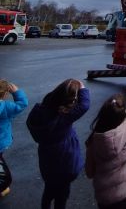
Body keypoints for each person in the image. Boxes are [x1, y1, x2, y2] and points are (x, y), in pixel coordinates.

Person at [26, 78, 90, 209]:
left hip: (47, 161)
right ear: (67, 103)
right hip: (64, 164)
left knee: (49, 189)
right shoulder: (64, 117)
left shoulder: (38, 111)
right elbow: (84, 105)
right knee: (62, 195)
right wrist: (82, 88)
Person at [85, 90, 126, 209]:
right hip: (124, 191)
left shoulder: (94, 141)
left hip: (104, 196)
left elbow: (89, 172)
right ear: (123, 113)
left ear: (102, 115)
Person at [0, 80, 28, 197]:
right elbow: (22, 104)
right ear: (5, 94)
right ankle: (2, 187)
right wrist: (16, 92)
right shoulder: (6, 107)